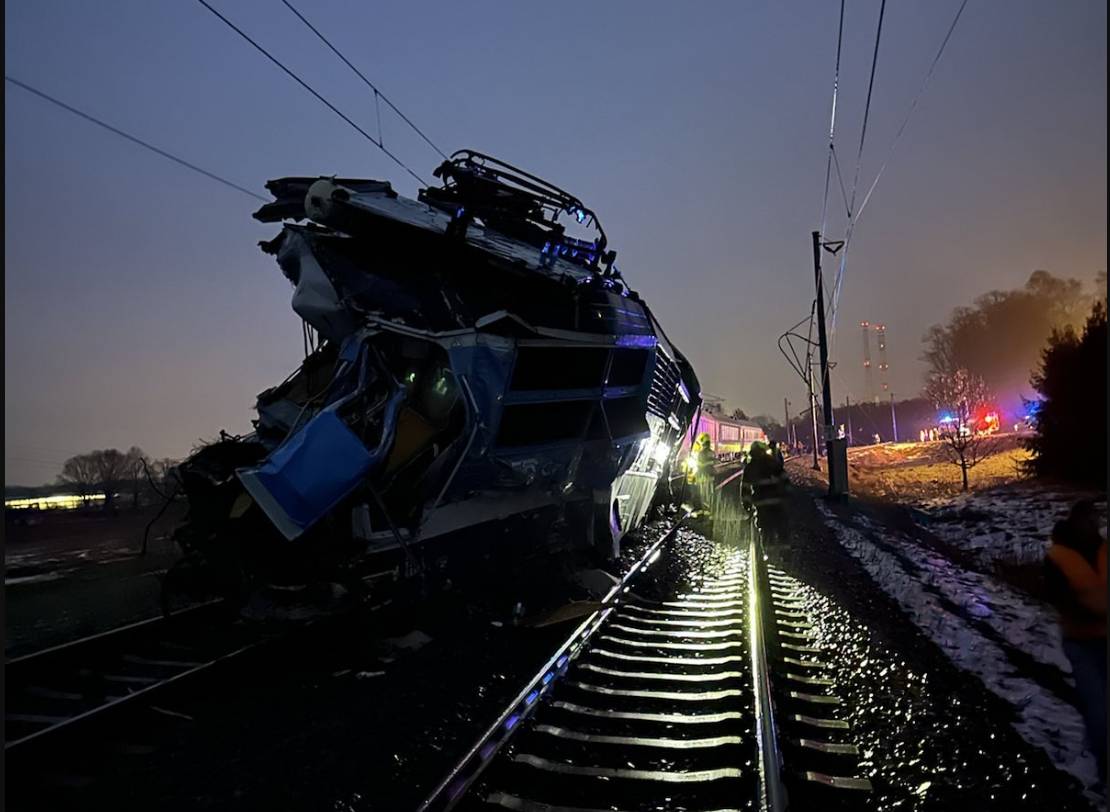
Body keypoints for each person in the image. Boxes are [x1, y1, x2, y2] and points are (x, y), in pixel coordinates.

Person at [1045, 500, 1107, 783]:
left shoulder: (1104, 550)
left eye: (1097, 519)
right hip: (1081, 642)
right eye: (1090, 519)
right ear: (1077, 521)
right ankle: (1104, 764)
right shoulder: (1057, 557)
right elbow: (1060, 599)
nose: (1095, 524)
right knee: (1097, 707)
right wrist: (1092, 614)